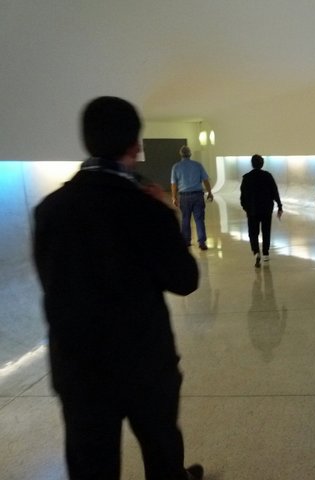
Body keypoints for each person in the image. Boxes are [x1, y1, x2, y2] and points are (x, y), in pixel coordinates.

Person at [33, 96, 204, 480]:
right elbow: (184, 280)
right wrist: (167, 214)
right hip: (144, 361)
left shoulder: (50, 209)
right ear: (135, 146)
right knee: (161, 449)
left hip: (78, 365)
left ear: (86, 141)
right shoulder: (147, 208)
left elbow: (51, 283)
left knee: (91, 464)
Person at [240, 154, 283, 267]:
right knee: (266, 231)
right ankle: (265, 253)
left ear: (252, 164)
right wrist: (279, 205)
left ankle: (256, 251)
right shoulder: (268, 176)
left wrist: (246, 208)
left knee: (253, 233)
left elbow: (243, 196)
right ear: (262, 164)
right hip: (266, 209)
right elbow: (274, 191)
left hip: (252, 210)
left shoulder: (246, 177)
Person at [170, 145, 214, 251]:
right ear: (190, 154)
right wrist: (209, 192)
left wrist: (174, 197)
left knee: (185, 219)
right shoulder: (198, 165)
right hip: (198, 196)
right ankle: (202, 242)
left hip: (184, 197)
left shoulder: (176, 167)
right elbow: (205, 180)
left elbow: (174, 184)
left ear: (180, 154)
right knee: (199, 220)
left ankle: (186, 241)